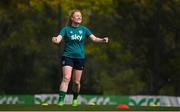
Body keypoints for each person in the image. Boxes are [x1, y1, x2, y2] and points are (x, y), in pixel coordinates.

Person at [52, 9, 108, 106]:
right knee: (66, 77)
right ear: (72, 18)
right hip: (67, 56)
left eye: (80, 16)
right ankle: (61, 101)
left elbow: (94, 39)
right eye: (77, 16)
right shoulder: (66, 29)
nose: (79, 17)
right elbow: (58, 39)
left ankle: (75, 99)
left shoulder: (84, 29)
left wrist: (103, 40)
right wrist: (55, 40)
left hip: (80, 58)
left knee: (76, 82)